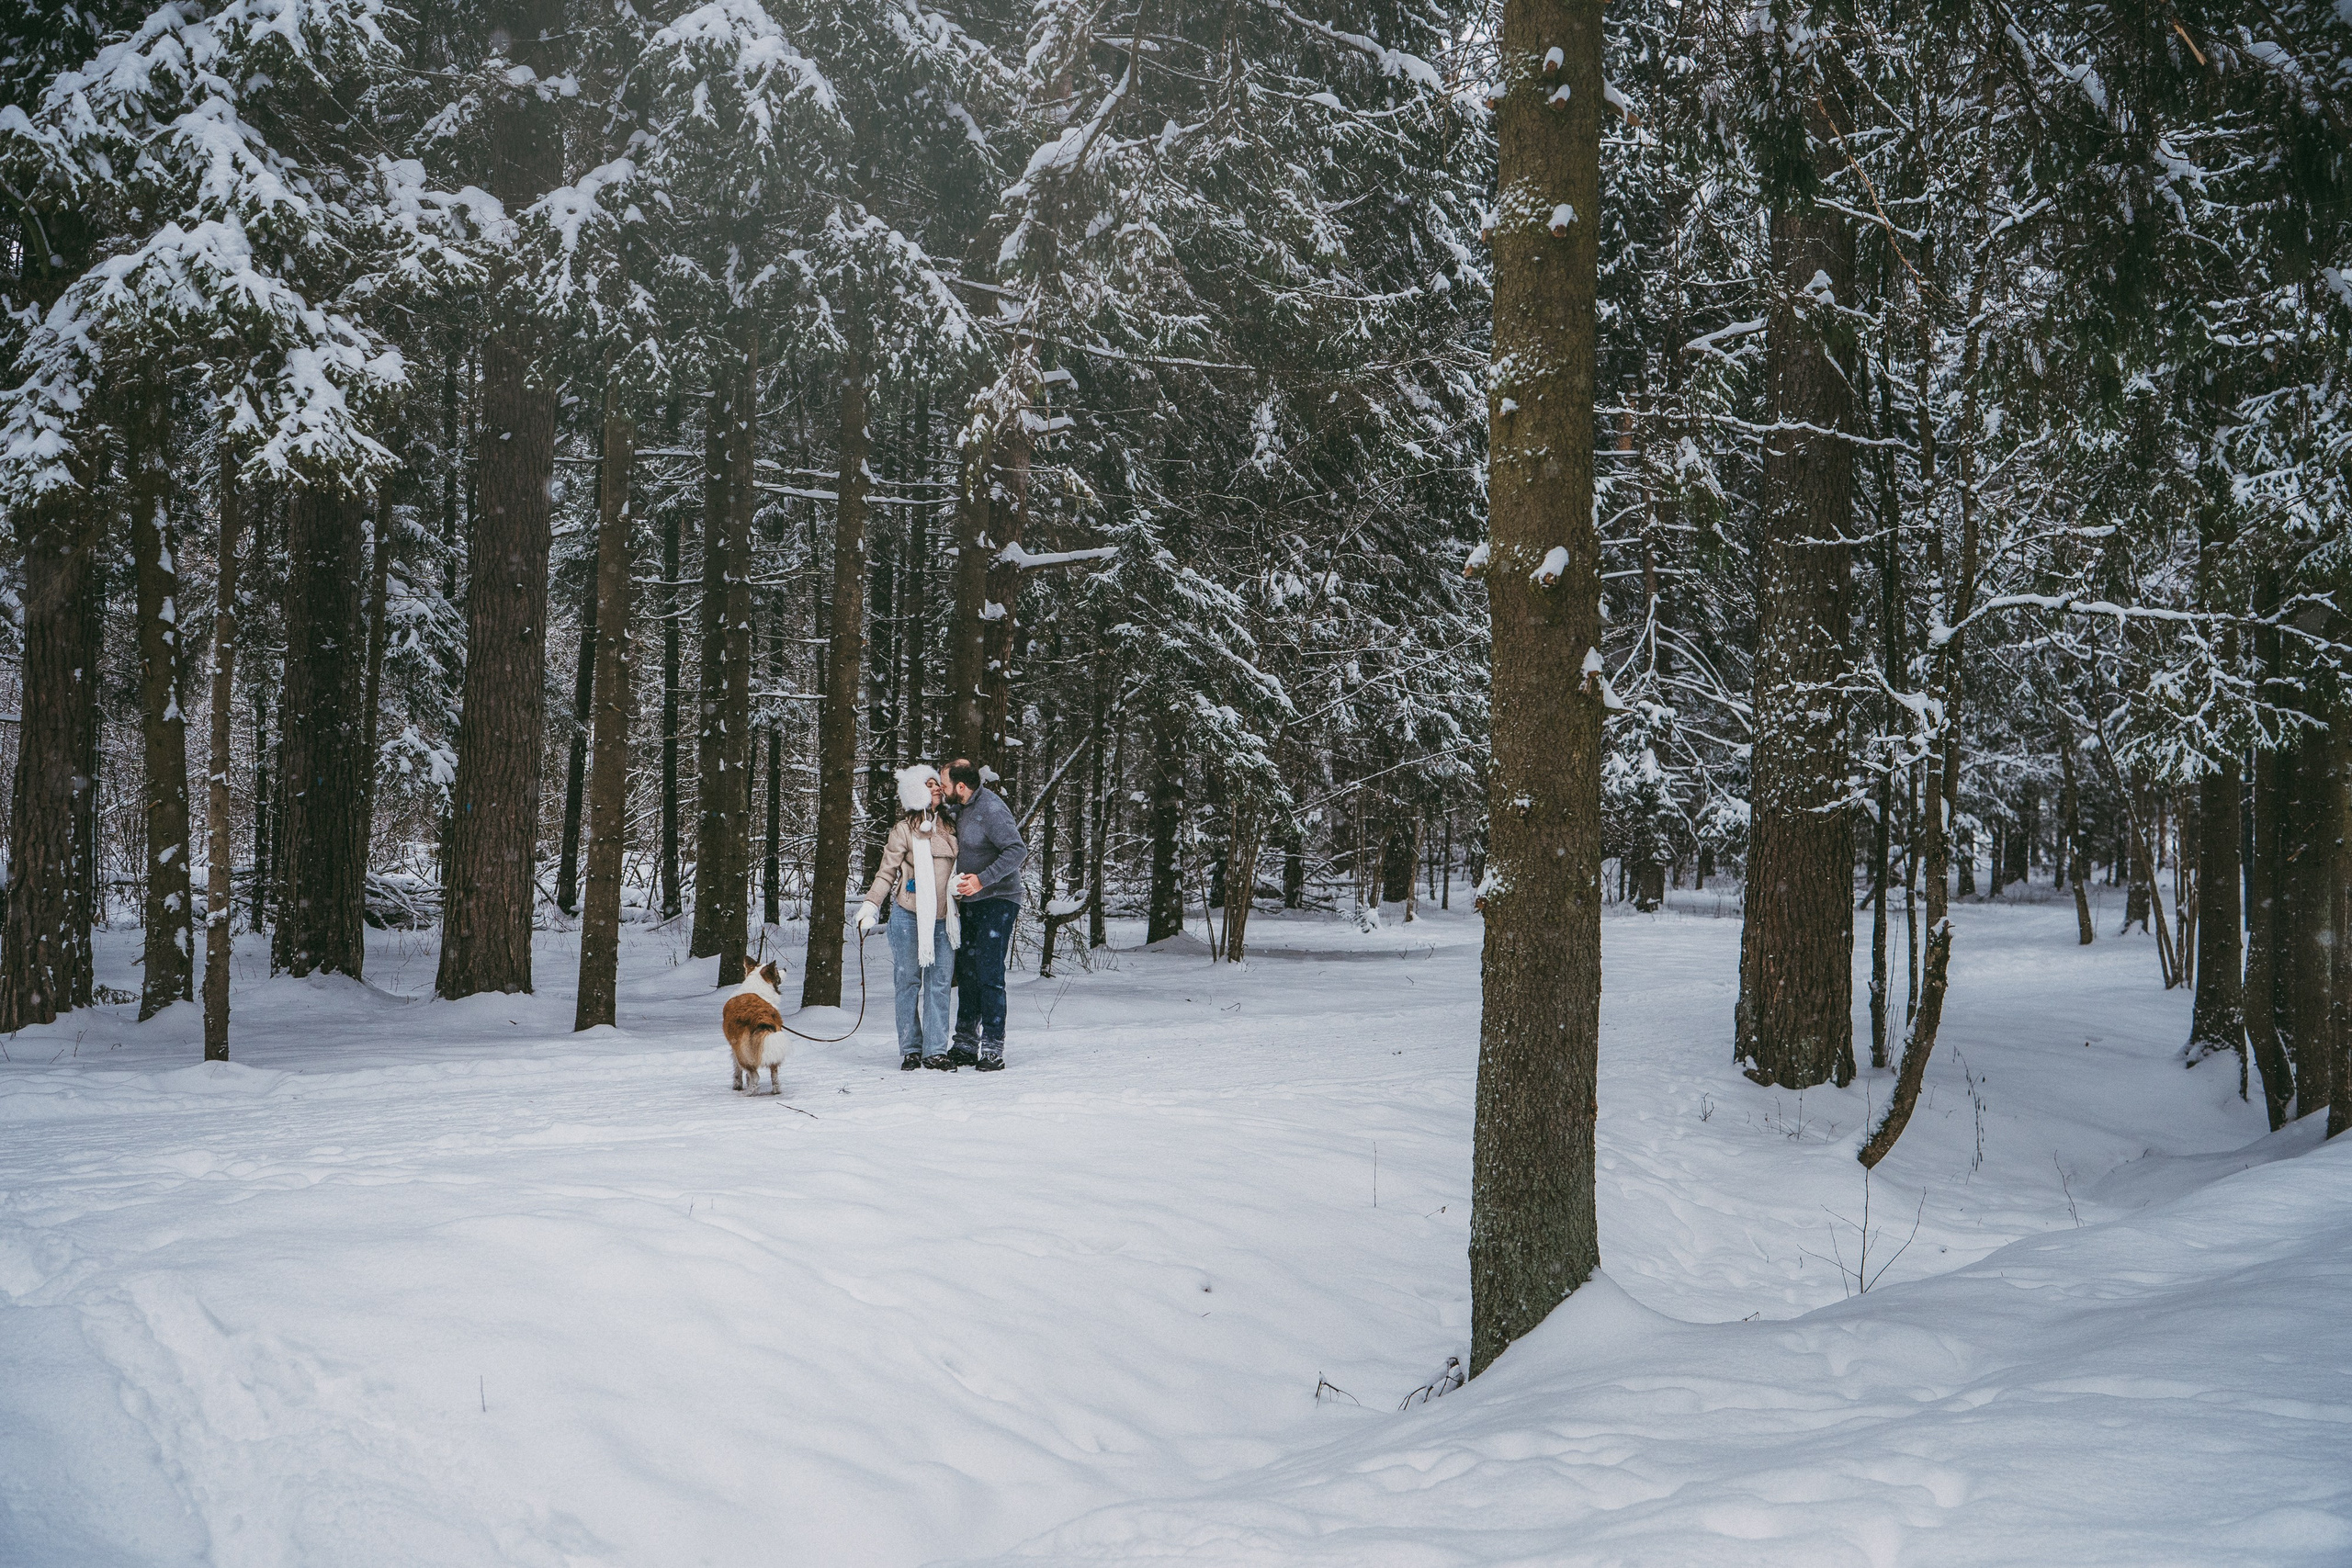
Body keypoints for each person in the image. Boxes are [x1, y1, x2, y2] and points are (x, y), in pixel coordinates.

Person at [856, 765, 960, 1070]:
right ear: (916, 791)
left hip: (945, 919)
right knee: (908, 983)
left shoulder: (951, 827)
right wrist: (871, 905)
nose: (938, 788)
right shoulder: (904, 830)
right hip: (908, 916)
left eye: (938, 784)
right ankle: (911, 1049)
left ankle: (935, 1050)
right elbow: (886, 871)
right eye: (930, 784)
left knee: (939, 984)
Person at [942, 758, 1024, 1070]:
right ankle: (964, 1042)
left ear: (961, 787)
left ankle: (993, 1047)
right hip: (972, 903)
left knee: (989, 970)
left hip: (999, 899)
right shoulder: (959, 809)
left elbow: (1017, 850)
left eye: (946, 783)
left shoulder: (991, 809)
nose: (943, 788)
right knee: (968, 970)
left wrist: (981, 880)